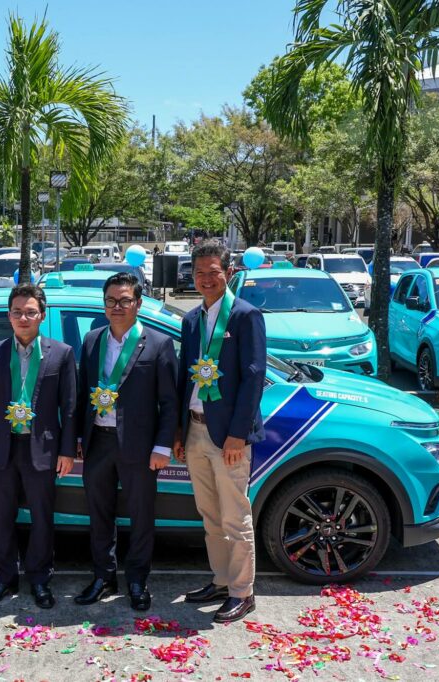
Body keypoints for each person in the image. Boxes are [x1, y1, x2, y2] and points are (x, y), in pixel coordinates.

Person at [173, 239, 266, 624]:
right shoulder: (191, 320)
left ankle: (243, 592)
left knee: (235, 517)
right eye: (200, 273)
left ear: (229, 273)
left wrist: (237, 434)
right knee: (209, 515)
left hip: (228, 436)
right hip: (195, 432)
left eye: (214, 272)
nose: (206, 279)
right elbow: (184, 377)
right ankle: (222, 580)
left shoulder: (246, 316)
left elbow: (254, 375)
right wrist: (179, 432)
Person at [74, 272, 178, 611]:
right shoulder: (91, 341)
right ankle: (104, 577)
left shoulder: (159, 344)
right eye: (111, 301)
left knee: (141, 515)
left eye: (125, 300)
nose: (117, 307)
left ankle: (137, 579)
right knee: (99, 515)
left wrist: (163, 446)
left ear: (138, 303)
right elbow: (80, 392)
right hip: (98, 443)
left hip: (140, 447)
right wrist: (77, 436)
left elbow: (169, 401)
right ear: (104, 305)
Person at [0, 284, 77, 609]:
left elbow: (69, 406)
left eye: (30, 311)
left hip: (42, 449)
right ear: (9, 316)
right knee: (2, 518)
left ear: (41, 316)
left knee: (42, 518)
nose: (23, 317)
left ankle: (40, 580)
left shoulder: (61, 353)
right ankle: (4, 580)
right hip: (3, 448)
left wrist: (67, 450)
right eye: (17, 311)